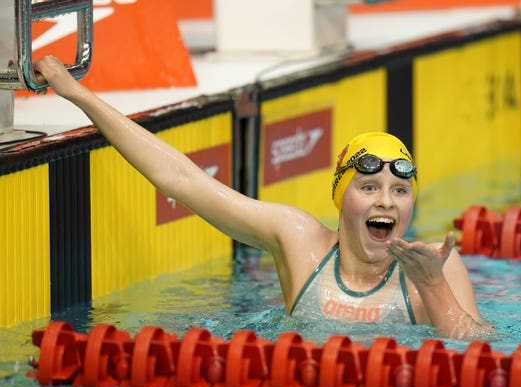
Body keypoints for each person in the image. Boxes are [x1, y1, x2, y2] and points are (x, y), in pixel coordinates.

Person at [33, 55, 493, 339]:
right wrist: (77, 93)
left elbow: (479, 359)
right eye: (368, 187)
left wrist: (434, 287)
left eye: (399, 191)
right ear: (340, 197)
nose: (386, 202)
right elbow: (182, 179)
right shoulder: (298, 241)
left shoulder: (436, 265)